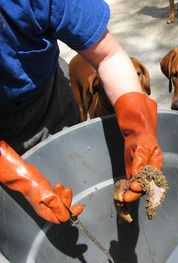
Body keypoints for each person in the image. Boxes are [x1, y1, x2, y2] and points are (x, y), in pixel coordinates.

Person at [0, 0, 163, 224]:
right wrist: (18, 176)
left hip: (50, 95)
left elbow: (108, 56)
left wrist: (139, 127)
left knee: (78, 171)